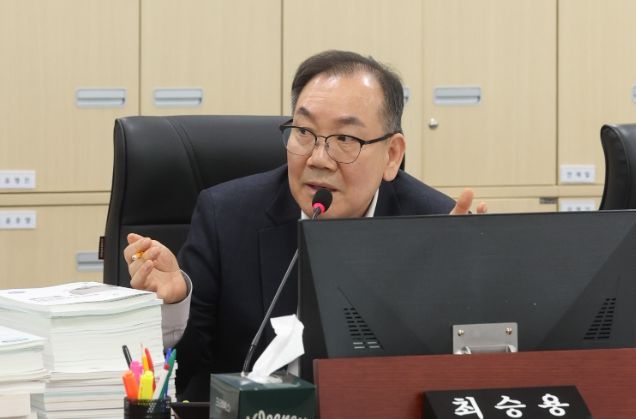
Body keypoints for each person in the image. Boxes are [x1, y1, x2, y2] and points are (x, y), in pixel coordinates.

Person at [124, 50, 486, 400]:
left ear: (392, 155)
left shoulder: (435, 227)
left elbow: (464, 382)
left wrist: (467, 293)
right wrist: (173, 305)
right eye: (304, 132)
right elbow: (187, 376)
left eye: (345, 139)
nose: (318, 158)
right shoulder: (227, 217)